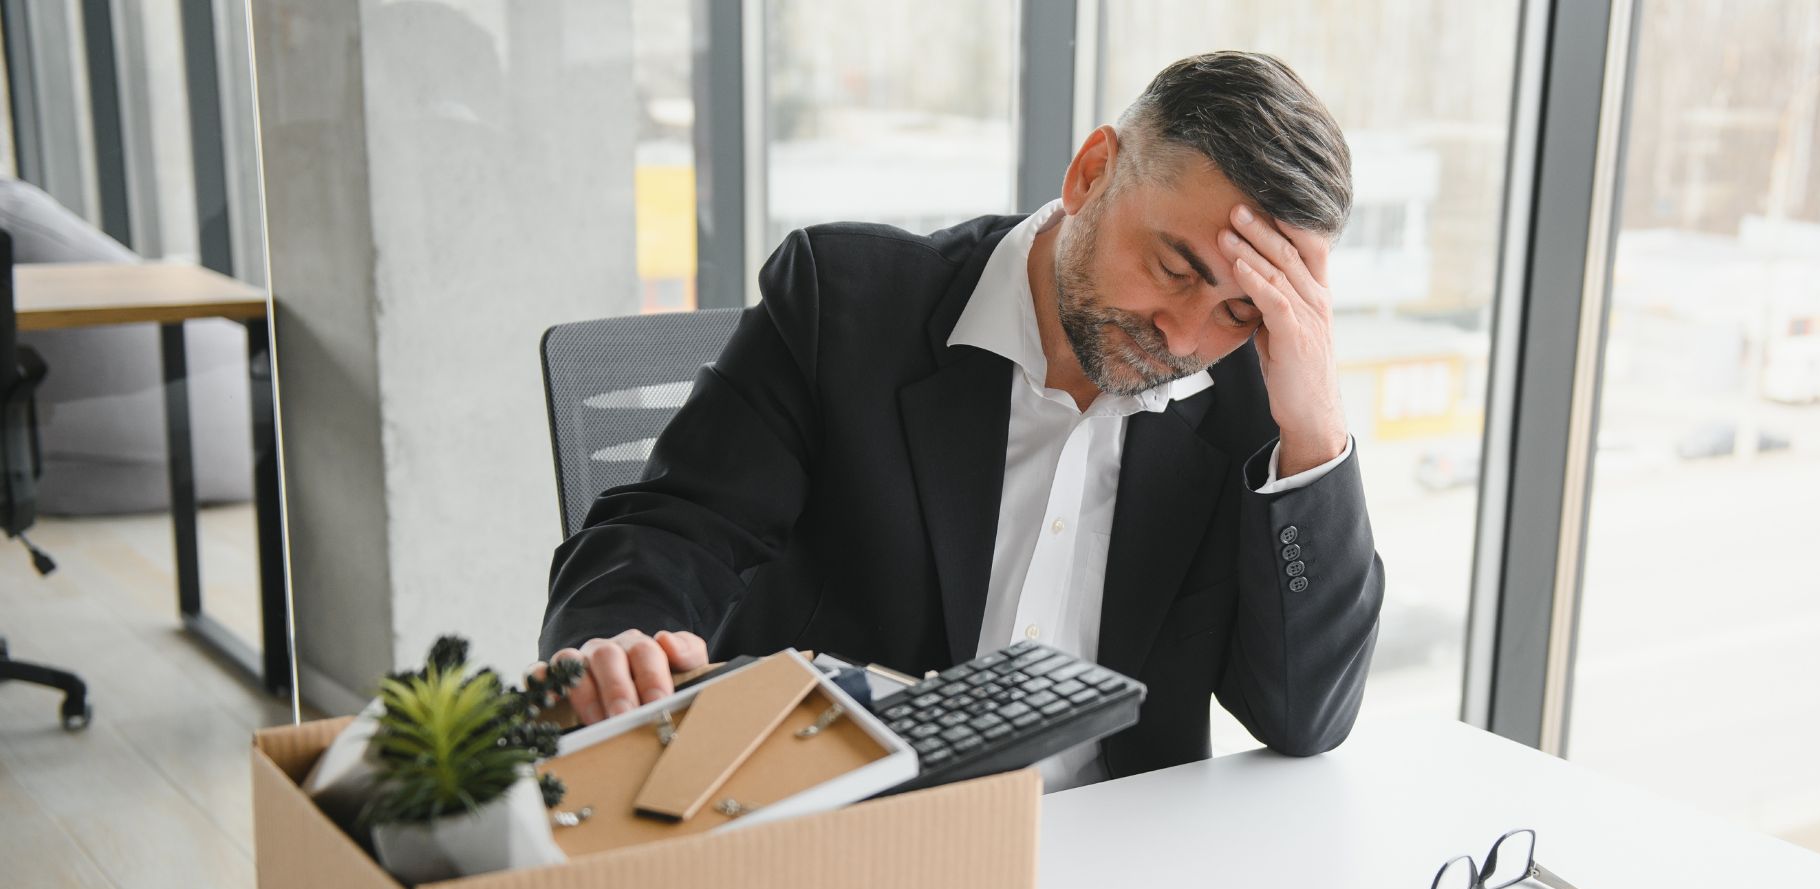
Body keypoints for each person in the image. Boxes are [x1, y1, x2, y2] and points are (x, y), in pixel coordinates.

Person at [538, 51, 1385, 791]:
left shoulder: (1246, 397)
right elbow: (675, 527)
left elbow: (1303, 716)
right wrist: (621, 645)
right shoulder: (844, 306)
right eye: (1173, 268)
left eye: (1239, 310)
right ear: (1091, 173)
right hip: (856, 835)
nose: (1185, 337)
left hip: (1115, 863)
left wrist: (1315, 432)